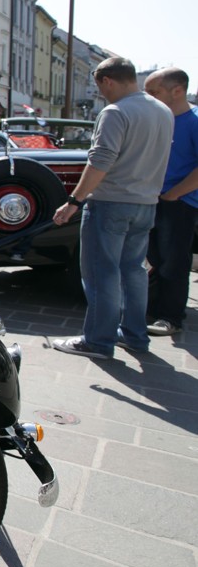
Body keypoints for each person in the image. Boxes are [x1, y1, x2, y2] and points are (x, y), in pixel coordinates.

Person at [51, 57, 172, 359]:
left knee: (101, 273)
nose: (101, 94)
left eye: (99, 87)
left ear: (107, 81)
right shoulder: (163, 110)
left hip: (110, 203)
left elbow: (100, 162)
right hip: (145, 203)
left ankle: (98, 341)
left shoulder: (115, 112)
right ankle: (135, 336)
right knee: (133, 271)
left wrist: (74, 200)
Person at [143, 67, 198, 337]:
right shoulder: (158, 118)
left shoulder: (195, 120)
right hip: (152, 198)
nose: (149, 98)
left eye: (154, 92)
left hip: (180, 203)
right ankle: (153, 310)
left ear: (177, 91)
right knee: (153, 259)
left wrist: (174, 193)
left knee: (174, 260)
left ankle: (171, 317)